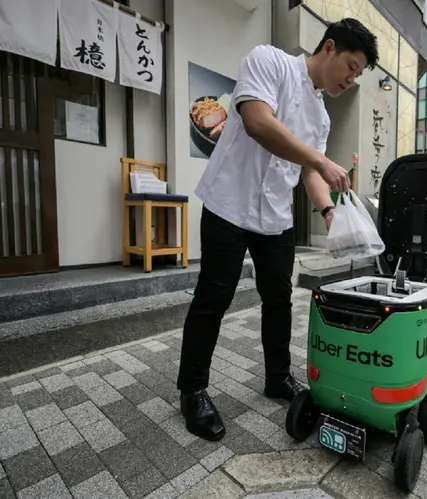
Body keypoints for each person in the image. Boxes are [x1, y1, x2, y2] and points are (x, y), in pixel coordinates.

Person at [176, 19, 379, 442]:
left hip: (274, 216)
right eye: (352, 66)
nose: (351, 78)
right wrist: (323, 163)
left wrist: (328, 212)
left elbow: (308, 172)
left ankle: (277, 377)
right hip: (228, 203)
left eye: (358, 74)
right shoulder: (269, 61)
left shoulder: (321, 118)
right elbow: (257, 122)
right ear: (329, 47)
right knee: (214, 297)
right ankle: (193, 390)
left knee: (279, 298)